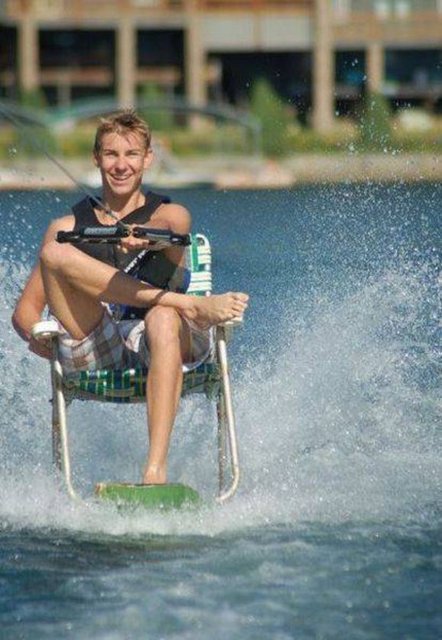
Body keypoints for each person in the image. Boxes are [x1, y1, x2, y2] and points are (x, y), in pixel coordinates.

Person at [12, 109, 248, 485]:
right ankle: (189, 304)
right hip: (102, 342)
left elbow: (167, 227)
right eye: (111, 154)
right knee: (55, 252)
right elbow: (25, 312)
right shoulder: (68, 227)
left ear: (147, 159)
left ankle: (154, 472)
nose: (121, 165)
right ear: (96, 158)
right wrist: (34, 336)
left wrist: (143, 234)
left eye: (131, 154)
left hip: (171, 340)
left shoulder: (171, 215)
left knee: (162, 317)